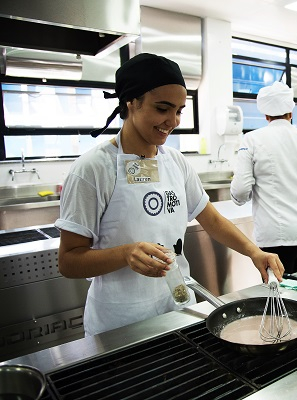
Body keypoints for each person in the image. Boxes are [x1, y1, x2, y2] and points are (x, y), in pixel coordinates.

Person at [55, 53, 284, 336]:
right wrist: (126, 253)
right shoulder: (92, 169)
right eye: (162, 108)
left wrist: (254, 252)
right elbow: (68, 261)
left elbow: (211, 219)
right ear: (131, 101)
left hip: (177, 309)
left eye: (179, 111)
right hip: (120, 323)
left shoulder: (175, 162)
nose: (172, 120)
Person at [230, 82, 297, 273]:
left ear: (266, 115)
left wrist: (239, 200)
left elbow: (240, 190)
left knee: (277, 292)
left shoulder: (252, 140)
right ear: (291, 112)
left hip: (275, 237)